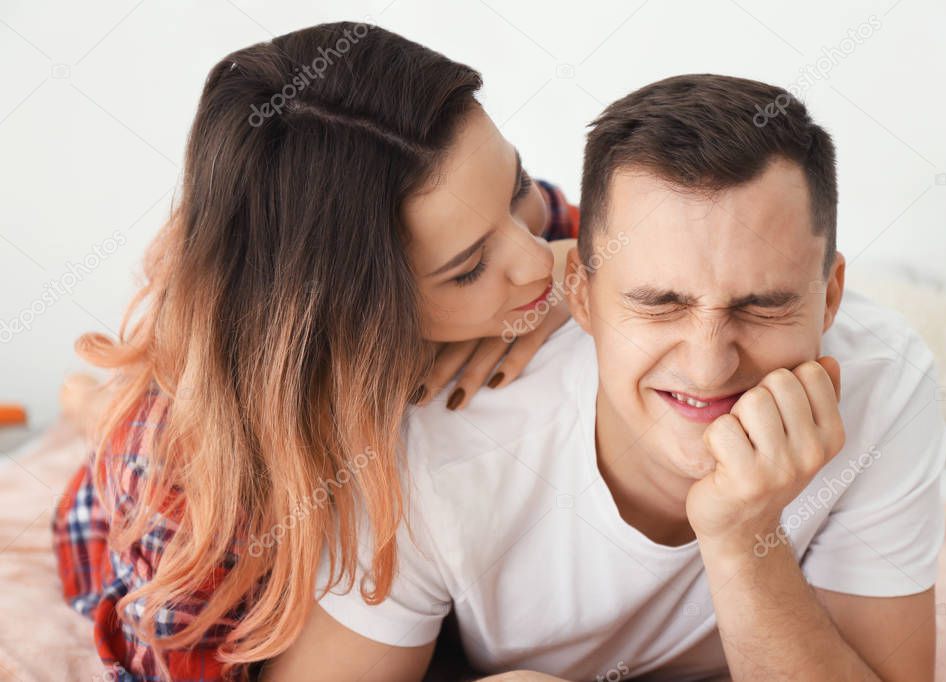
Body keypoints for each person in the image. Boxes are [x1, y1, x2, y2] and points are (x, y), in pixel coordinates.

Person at [271, 74, 946, 681]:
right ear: (581, 294)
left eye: (763, 305)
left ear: (829, 298)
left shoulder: (881, 380)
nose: (709, 365)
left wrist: (744, 540)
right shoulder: (430, 446)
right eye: (658, 304)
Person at [51, 22, 580, 681]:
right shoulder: (192, 492)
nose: (530, 260)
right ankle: (87, 408)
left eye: (517, 185)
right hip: (136, 506)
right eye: (468, 269)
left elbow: (639, 248)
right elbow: (170, 662)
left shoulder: (481, 214)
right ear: (344, 312)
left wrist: (577, 264)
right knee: (111, 425)